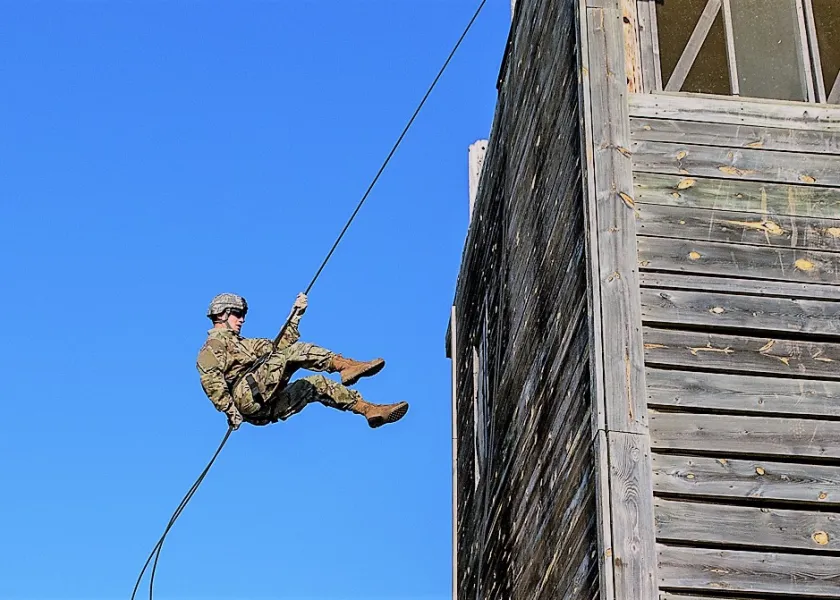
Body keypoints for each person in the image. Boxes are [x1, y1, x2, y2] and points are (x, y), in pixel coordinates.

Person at [196, 292, 409, 430]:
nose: (242, 319)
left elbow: (278, 347)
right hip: (245, 396)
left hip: (264, 406)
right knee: (295, 352)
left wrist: (296, 314)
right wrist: (230, 411)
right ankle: (345, 366)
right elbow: (211, 382)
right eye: (237, 314)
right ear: (222, 314)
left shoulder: (244, 343)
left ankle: (368, 409)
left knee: (314, 384)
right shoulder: (213, 347)